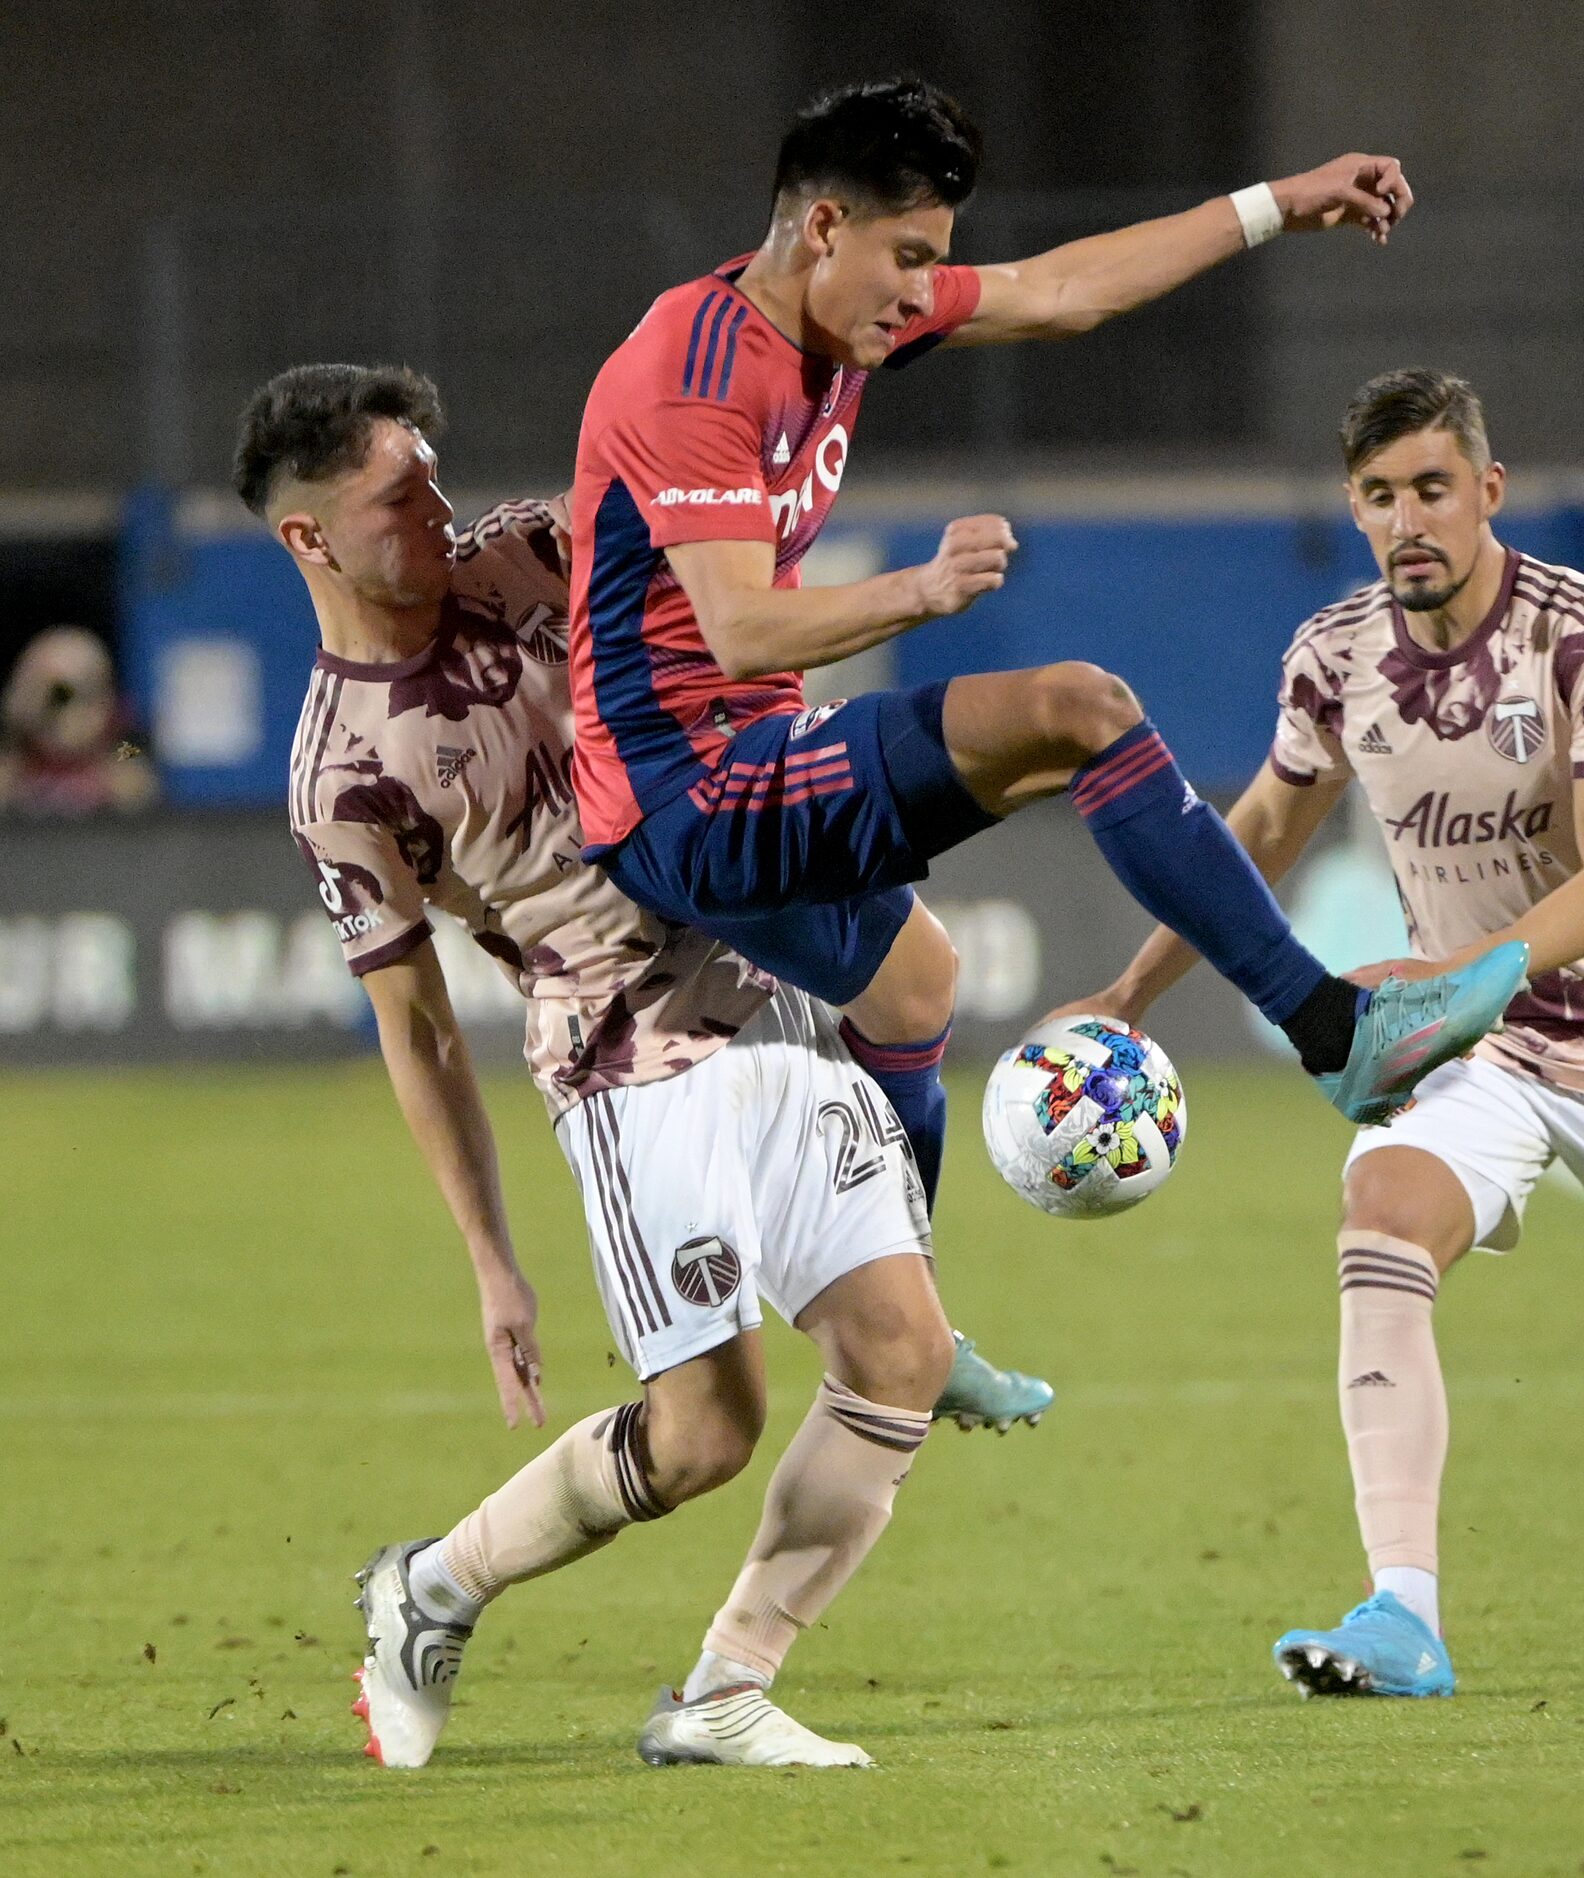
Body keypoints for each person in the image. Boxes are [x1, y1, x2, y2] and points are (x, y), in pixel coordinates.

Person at [234, 362, 1046, 1771]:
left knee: (899, 1355)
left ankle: (729, 1684)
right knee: (705, 1431)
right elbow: (417, 1025)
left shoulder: (542, 547)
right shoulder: (340, 771)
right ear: (308, 538)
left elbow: (719, 593)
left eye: (432, 471)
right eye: (396, 495)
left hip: (764, 974)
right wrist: (492, 1259)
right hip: (630, 1064)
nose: (439, 506)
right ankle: (429, 1587)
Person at [567, 76, 1525, 1233]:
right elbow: (739, 630)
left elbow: (1064, 289)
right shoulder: (698, 368)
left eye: (937, 263)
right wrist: (922, 588)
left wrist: (1280, 202)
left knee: (917, 986)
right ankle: (1334, 1031)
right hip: (687, 788)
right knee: (1079, 709)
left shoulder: (830, 318)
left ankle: (896, 1320)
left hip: (723, 769)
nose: (924, 293)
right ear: (825, 226)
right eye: (909, 257)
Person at [1068, 367, 1584, 1698]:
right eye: (1377, 496)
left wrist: (1457, 977)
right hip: (1507, 1053)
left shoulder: (1568, 638)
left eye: (1429, 488)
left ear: (1488, 490)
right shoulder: (1336, 656)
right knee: (1382, 1209)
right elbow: (1252, 842)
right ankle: (1401, 1611)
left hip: (1495, 998)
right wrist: (1132, 991)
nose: (1406, 519)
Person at [0, 625, 157, 816]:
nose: (54, 712)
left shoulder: (123, 759)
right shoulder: (11, 771)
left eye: (64, 694)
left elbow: (139, 779)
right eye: (37, 690)